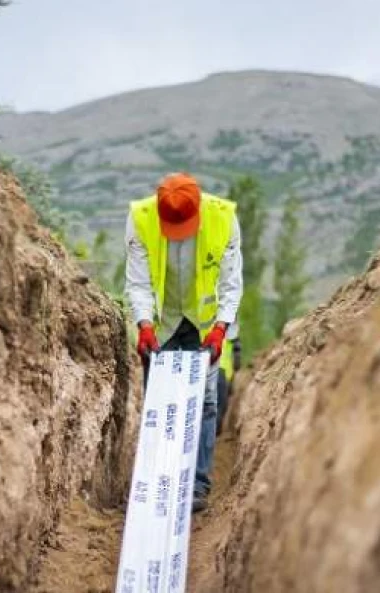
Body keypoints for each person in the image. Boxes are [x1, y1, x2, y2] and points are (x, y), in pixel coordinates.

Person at [125, 172, 242, 513]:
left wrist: (220, 329)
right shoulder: (141, 219)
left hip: (204, 327)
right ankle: (158, 480)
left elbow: (231, 285)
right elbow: (138, 282)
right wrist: (144, 325)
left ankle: (198, 486)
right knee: (158, 404)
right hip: (163, 324)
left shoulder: (223, 219)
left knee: (204, 402)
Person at [216, 322, 240, 436]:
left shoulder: (231, 331)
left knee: (220, 404)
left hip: (224, 372)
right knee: (220, 404)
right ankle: (214, 431)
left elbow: (237, 352)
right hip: (221, 372)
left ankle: (215, 431)